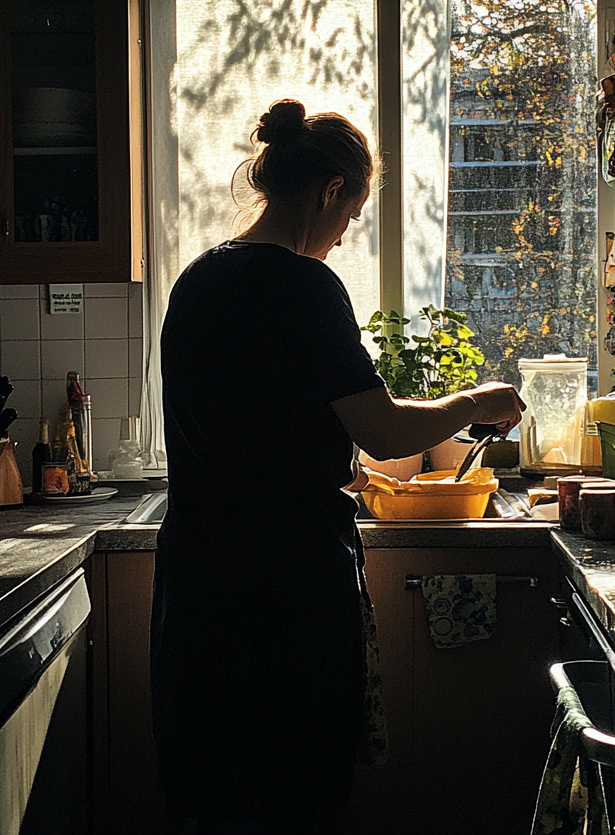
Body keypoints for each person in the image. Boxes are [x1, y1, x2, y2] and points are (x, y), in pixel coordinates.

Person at [151, 98, 524, 835]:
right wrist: (473, 401)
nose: (345, 233)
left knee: (214, 795)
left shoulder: (197, 281)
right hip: (283, 590)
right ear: (328, 192)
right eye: (350, 214)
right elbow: (382, 430)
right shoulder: (302, 286)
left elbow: (255, 421)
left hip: (197, 586)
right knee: (293, 791)